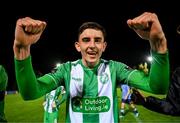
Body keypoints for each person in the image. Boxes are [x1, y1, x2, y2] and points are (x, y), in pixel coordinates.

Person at [13, 12, 170, 123]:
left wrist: (158, 44)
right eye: (86, 40)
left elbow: (157, 87)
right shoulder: (66, 70)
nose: (92, 45)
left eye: (97, 40)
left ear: (104, 46)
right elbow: (30, 93)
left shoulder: (116, 68)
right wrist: (22, 49)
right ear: (77, 46)